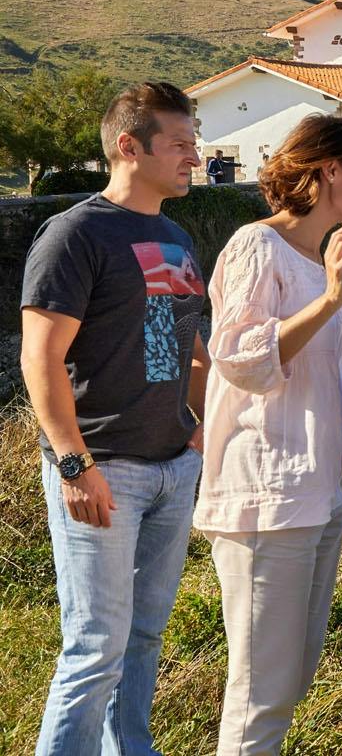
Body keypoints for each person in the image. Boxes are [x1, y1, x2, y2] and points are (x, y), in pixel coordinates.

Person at [20, 81, 210, 755]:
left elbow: (182, 343)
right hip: (104, 471)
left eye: (194, 142)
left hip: (171, 467)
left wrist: (200, 426)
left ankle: (130, 747)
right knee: (96, 646)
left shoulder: (174, 235)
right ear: (129, 147)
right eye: (180, 144)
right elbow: (41, 360)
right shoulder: (76, 234)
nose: (195, 156)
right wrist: (74, 465)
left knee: (146, 633)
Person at [195, 114, 342, 755]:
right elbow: (240, 358)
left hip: (320, 490)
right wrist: (331, 299)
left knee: (293, 676)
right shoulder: (258, 246)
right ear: (330, 171)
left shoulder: (317, 255)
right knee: (260, 697)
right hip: (264, 497)